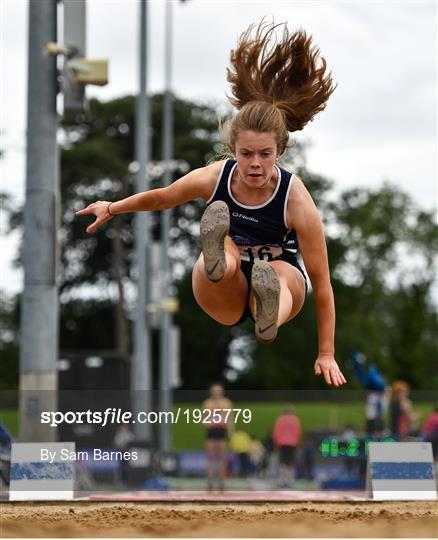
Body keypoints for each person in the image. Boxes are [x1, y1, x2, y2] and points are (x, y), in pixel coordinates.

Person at [75, 21, 346, 387]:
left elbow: (322, 284)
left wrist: (326, 352)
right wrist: (113, 207)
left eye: (264, 155)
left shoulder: (296, 199)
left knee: (281, 276)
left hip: (282, 277)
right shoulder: (214, 177)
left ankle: (269, 315)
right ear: (232, 150)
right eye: (246, 153)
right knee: (225, 251)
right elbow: (163, 197)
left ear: (279, 152)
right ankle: (218, 258)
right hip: (223, 293)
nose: (254, 164)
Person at [202, 383, 233, 491]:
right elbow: (204, 419)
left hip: (222, 431)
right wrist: (211, 421)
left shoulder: (226, 402)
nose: (216, 393)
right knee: (211, 458)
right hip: (212, 431)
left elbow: (230, 419)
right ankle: (210, 481)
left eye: (219, 391)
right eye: (214, 391)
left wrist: (230, 433)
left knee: (222, 458)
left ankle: (221, 481)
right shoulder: (208, 403)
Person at [350, 352, 388, 436]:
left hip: (377, 395)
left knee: (375, 415)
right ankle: (372, 432)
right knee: (372, 415)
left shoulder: (372, 373)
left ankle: (376, 432)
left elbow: (378, 384)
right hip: (376, 395)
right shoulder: (371, 373)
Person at [272, 404, 301, 488]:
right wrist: (297, 442)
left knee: (282, 462)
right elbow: (298, 432)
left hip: (282, 443)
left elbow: (276, 432)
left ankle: (282, 480)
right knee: (290, 462)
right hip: (292, 443)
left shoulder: (280, 419)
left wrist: (276, 443)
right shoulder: (296, 420)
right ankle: (290, 480)